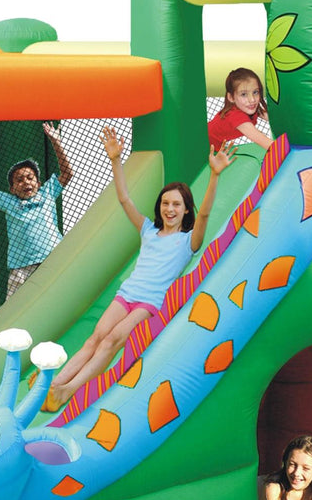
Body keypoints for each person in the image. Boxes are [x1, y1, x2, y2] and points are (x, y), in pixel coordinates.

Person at [42, 125, 237, 412]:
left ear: (186, 209)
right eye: (165, 203)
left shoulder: (188, 242)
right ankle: (54, 383)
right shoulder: (148, 230)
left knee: (111, 341)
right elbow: (124, 199)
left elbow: (206, 213)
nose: (170, 209)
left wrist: (215, 175)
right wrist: (115, 160)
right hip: (127, 294)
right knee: (95, 338)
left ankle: (67, 391)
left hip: (149, 303)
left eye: (177, 205)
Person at [0, 122, 73, 298]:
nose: (26, 182)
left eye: (30, 178)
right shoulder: (9, 202)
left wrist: (56, 142)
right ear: (12, 189)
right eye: (19, 180)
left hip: (52, 257)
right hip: (21, 265)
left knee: (60, 297)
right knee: (15, 305)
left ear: (38, 182)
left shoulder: (47, 192)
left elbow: (67, 174)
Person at [207, 67, 273, 151]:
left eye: (255, 92)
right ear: (231, 97)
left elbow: (275, 120)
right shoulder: (236, 117)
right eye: (244, 94)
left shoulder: (250, 108)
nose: (252, 100)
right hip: (201, 143)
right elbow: (265, 142)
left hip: (215, 145)